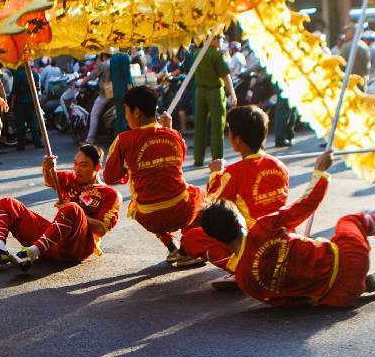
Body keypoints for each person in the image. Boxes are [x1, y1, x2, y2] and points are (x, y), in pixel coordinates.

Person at [199, 152, 375, 307]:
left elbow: (285, 301)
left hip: (336, 297)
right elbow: (307, 204)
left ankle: (360, 284)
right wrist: (320, 172)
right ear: (239, 220)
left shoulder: (244, 280)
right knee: (351, 221)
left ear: (217, 239)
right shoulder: (264, 226)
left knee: (321, 284)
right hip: (348, 259)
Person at [175, 106, 289, 268]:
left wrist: (216, 173)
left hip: (252, 241)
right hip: (281, 238)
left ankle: (239, 267)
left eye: (229, 130)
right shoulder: (279, 166)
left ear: (237, 140)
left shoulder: (234, 173)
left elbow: (211, 205)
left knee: (192, 238)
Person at [0, 144, 121, 266]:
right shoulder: (72, 177)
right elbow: (50, 180)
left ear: (97, 168)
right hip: (51, 243)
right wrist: (47, 167)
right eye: (75, 163)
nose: (77, 169)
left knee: (72, 208)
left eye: (83, 165)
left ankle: (31, 253)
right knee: (7, 203)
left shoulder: (111, 194)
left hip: (77, 249)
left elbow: (101, 229)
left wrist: (73, 210)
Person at [104, 86, 205, 256]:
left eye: (126, 111)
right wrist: (169, 129)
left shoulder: (123, 140)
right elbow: (179, 160)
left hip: (149, 217)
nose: (126, 115)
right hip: (183, 212)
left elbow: (110, 177)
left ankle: (170, 244)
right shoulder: (174, 135)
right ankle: (187, 248)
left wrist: (131, 170)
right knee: (199, 192)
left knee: (137, 200)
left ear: (137, 113)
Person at [193, 36, 237, 167]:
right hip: (214, 92)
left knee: (199, 126)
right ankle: (217, 158)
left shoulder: (196, 53)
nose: (221, 40)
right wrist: (233, 93)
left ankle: (198, 158)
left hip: (200, 92)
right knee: (217, 126)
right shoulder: (216, 55)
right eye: (219, 38)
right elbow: (225, 75)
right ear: (211, 39)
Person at [11, 65, 43, 151]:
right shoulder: (34, 73)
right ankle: (37, 143)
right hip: (32, 101)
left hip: (20, 103)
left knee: (20, 124)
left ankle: (21, 145)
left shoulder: (17, 74)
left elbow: (14, 91)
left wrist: (12, 103)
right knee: (33, 122)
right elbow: (38, 87)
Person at [85, 52, 112, 144]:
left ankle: (90, 138)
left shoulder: (103, 65)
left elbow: (91, 76)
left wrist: (81, 83)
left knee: (94, 114)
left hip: (106, 92)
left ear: (103, 56)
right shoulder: (115, 63)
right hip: (117, 91)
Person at [110, 49, 134, 135]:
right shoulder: (125, 57)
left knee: (119, 113)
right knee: (125, 114)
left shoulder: (113, 57)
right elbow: (127, 75)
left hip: (115, 90)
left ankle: (118, 136)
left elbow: (111, 74)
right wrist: (131, 91)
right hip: (124, 91)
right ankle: (123, 136)